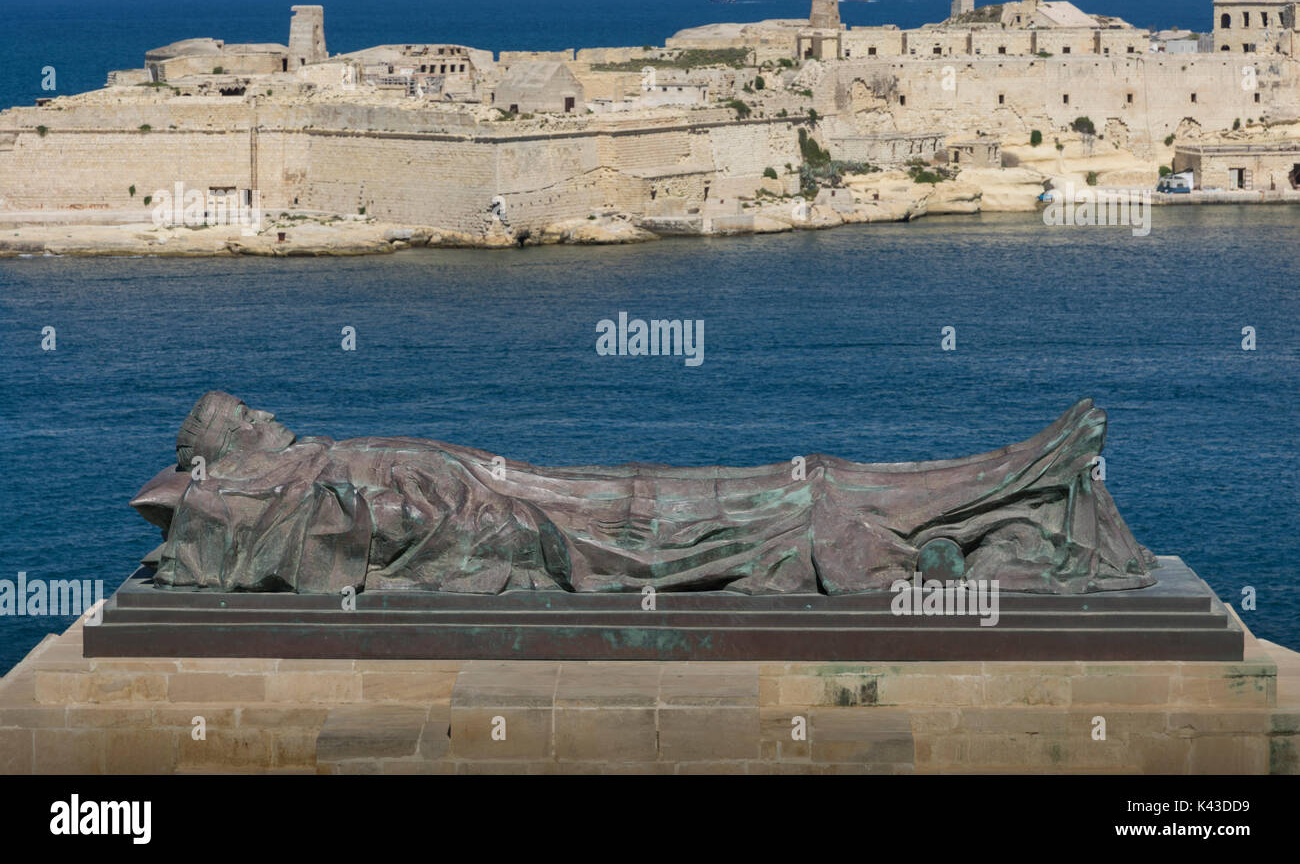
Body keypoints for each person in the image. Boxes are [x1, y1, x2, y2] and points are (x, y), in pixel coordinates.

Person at [131, 391, 1157, 596]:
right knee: (799, 498)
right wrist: (486, 521)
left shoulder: (311, 467)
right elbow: (407, 536)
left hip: (548, 496)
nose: (272, 418)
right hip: (561, 530)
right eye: (251, 422)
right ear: (231, 457)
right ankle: (1015, 480)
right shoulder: (295, 494)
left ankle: (1011, 480)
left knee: (802, 486)